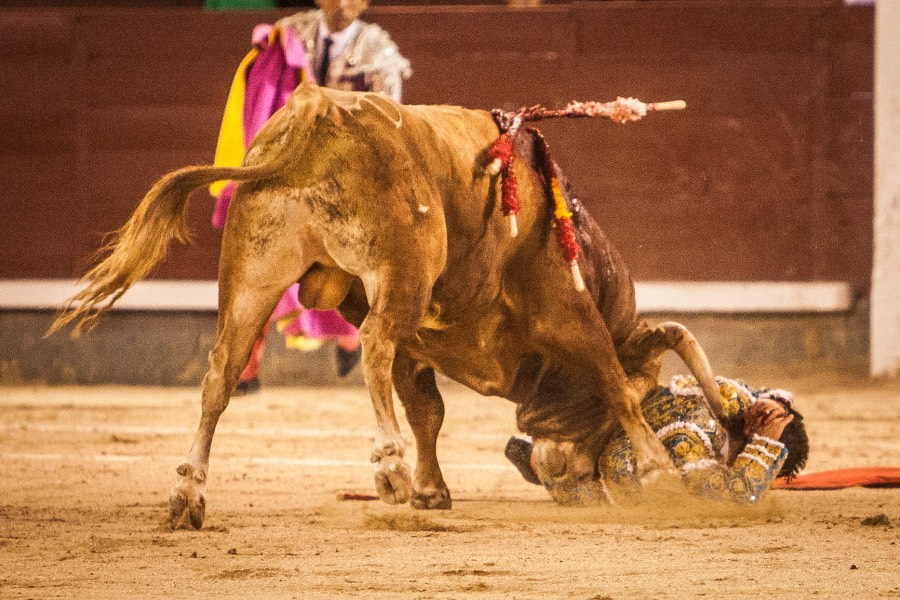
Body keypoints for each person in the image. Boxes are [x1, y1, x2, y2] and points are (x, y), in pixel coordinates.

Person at [209, 0, 411, 394]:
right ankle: (245, 368)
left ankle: (351, 334)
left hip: (344, 182)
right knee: (260, 264)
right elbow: (262, 96)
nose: (345, 1)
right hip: (290, 171)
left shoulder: (378, 49)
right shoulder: (290, 34)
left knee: (348, 268)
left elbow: (389, 121)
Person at [505, 375, 809, 505]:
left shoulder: (699, 438)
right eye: (774, 413)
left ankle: (534, 462)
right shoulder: (732, 404)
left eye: (769, 424)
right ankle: (534, 459)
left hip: (581, 473)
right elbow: (759, 397)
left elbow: (740, 497)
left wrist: (767, 442)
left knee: (558, 465)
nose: (764, 416)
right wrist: (778, 408)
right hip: (606, 418)